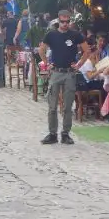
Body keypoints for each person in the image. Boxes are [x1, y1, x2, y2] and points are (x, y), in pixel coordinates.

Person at [38, 10, 91, 145]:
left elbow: (87, 50)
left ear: (70, 21)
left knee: (68, 106)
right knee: (52, 106)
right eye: (63, 21)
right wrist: (47, 64)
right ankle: (52, 133)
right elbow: (41, 49)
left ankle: (65, 133)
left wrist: (79, 65)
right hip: (56, 71)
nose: (65, 24)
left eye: (67, 21)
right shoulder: (51, 34)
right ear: (58, 21)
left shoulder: (75, 35)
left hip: (69, 72)